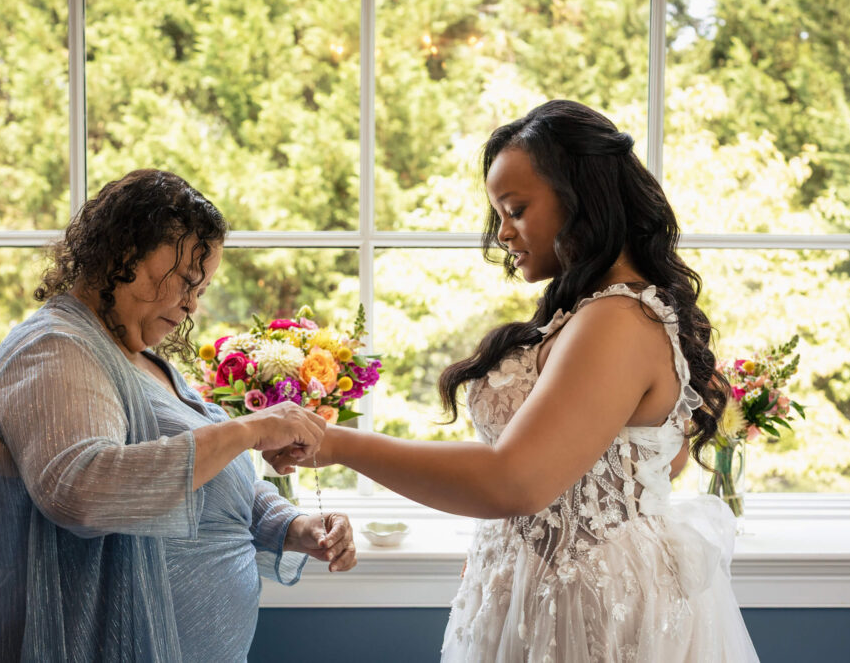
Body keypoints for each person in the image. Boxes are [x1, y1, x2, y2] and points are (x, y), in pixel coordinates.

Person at [272, 101, 759, 661]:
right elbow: (643, 467)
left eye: (516, 209)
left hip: (585, 608)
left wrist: (335, 443)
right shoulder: (592, 311)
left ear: (582, 196)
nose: (502, 233)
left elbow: (516, 482)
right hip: (538, 589)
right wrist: (519, 545)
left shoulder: (619, 320)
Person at [0, 169, 357, 663]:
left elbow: (210, 485)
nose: (191, 304)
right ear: (124, 251)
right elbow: (82, 491)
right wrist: (249, 430)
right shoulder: (54, 349)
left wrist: (295, 526)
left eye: (201, 290)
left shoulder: (134, 356)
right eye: (186, 281)